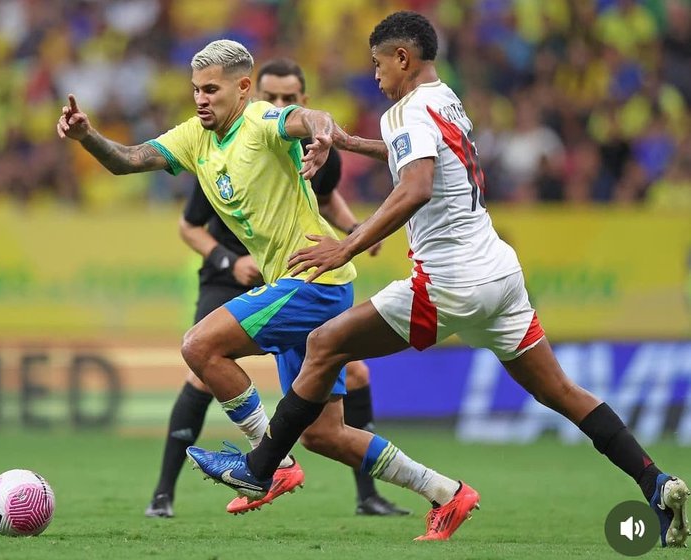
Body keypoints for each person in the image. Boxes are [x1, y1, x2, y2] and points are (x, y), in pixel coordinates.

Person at [187, 12, 691, 548]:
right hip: (499, 271)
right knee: (561, 390)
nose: (374, 74)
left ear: (402, 58)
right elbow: (423, 156)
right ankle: (655, 482)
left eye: (378, 63)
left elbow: (417, 187)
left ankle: (261, 466)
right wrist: (358, 143)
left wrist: (347, 245)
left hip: (449, 281)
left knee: (323, 343)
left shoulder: (405, 109)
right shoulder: (444, 98)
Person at [58, 39, 464, 535]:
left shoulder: (262, 122)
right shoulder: (193, 137)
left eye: (212, 89)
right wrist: (87, 136)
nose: (201, 99)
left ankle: (267, 465)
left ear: (244, 88)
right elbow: (125, 160)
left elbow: (309, 119)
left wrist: (321, 134)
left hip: (314, 280)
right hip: (303, 286)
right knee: (325, 434)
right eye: (196, 90)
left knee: (200, 346)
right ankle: (447, 492)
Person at [145, 58, 408, 518]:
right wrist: (229, 259)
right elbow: (189, 226)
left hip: (295, 274)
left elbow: (324, 200)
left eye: (289, 99)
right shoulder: (207, 145)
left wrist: (354, 232)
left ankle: (360, 492)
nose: (279, 105)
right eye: (273, 96)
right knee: (200, 365)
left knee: (345, 391)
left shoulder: (311, 150)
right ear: (250, 93)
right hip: (229, 274)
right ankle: (164, 494)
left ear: (301, 101)